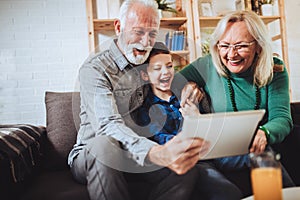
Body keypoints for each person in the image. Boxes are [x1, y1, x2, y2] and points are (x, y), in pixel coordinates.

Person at [67, 1, 209, 200]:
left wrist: (189, 85)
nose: (145, 42)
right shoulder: (95, 69)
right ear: (119, 27)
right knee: (105, 146)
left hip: (133, 153)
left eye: (152, 34)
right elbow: (107, 125)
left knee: (185, 167)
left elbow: (170, 77)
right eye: (138, 32)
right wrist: (156, 152)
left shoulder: (146, 60)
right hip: (94, 153)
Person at [173, 10, 295, 198]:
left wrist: (265, 132)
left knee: (264, 153)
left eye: (241, 46)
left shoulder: (274, 69)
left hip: (248, 148)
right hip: (210, 149)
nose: (231, 54)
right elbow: (167, 83)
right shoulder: (207, 65)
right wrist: (189, 84)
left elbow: (282, 117)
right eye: (225, 45)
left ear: (258, 46)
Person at [131, 41, 209, 145]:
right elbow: (159, 138)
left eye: (169, 66)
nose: (166, 72)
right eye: (157, 68)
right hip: (180, 156)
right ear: (145, 75)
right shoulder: (145, 109)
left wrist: (198, 118)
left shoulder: (187, 95)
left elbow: (210, 129)